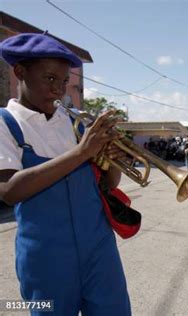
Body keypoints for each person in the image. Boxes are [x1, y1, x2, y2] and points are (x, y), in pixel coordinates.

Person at [0, 33, 131, 315]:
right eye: (49, 79)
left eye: (63, 82)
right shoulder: (5, 123)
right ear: (20, 72)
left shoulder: (76, 123)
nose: (58, 90)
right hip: (45, 259)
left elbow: (108, 184)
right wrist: (82, 153)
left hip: (99, 250)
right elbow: (9, 190)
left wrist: (114, 161)